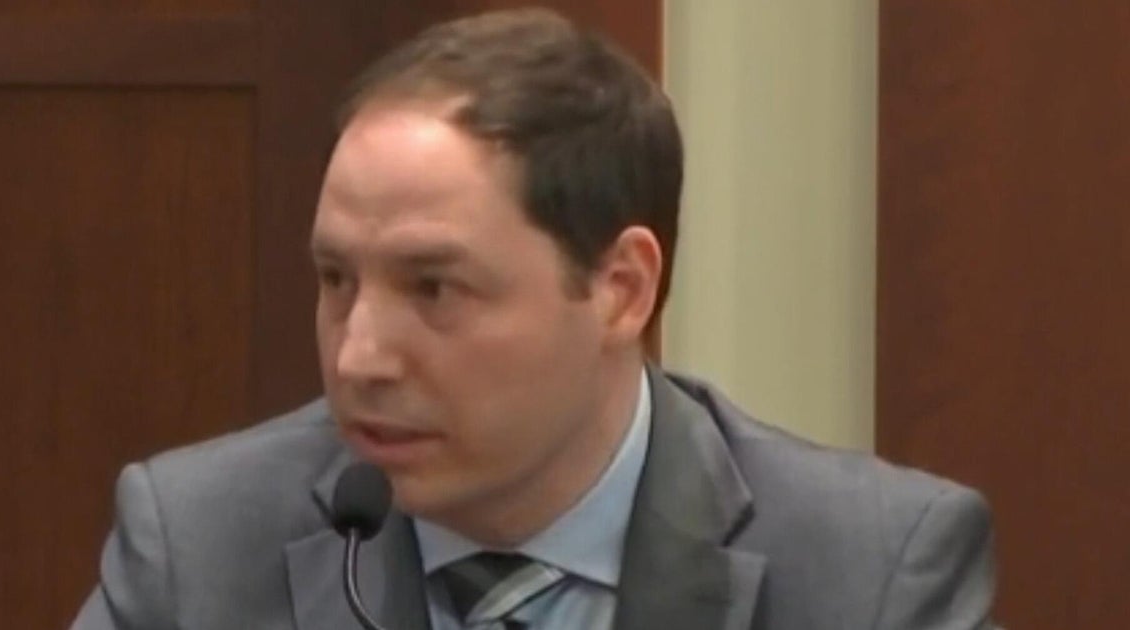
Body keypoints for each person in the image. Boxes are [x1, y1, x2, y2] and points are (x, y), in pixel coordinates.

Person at [71, 8, 996, 630]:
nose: (358, 357)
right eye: (337, 279)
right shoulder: (198, 547)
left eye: (434, 289)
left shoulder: (872, 576)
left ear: (621, 289)